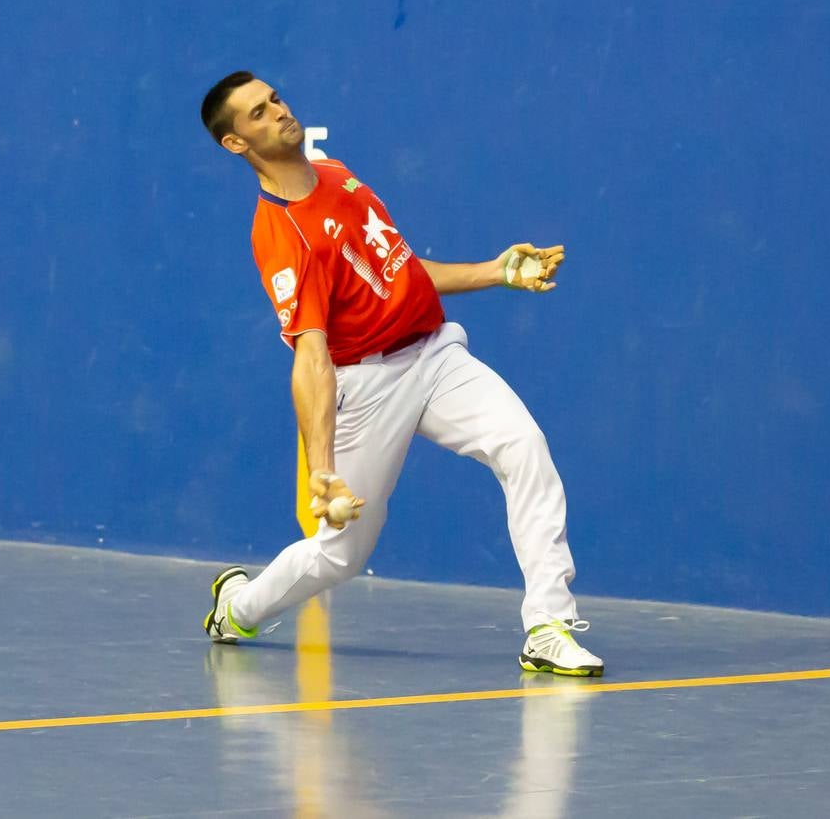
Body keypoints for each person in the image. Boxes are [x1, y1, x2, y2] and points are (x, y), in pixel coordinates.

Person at [197, 71, 603, 677]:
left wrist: (496, 271)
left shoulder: (337, 177)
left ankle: (548, 625)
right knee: (340, 556)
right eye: (257, 114)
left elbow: (403, 273)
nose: (278, 112)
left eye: (275, 99)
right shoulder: (284, 234)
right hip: (366, 386)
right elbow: (310, 359)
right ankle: (239, 607)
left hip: (435, 355)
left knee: (523, 446)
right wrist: (323, 470)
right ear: (237, 143)